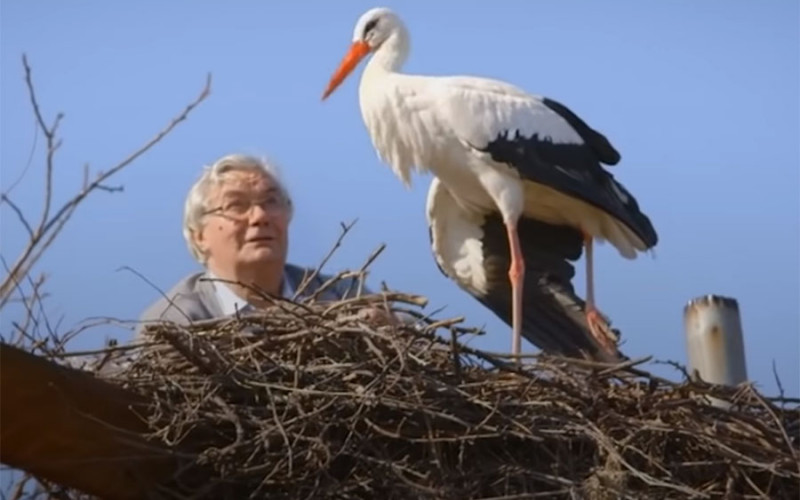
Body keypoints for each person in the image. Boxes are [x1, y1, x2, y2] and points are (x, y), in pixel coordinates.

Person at [135, 153, 392, 339]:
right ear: (199, 236)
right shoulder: (176, 321)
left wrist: (390, 329)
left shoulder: (342, 295)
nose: (260, 216)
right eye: (236, 205)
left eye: (271, 202)